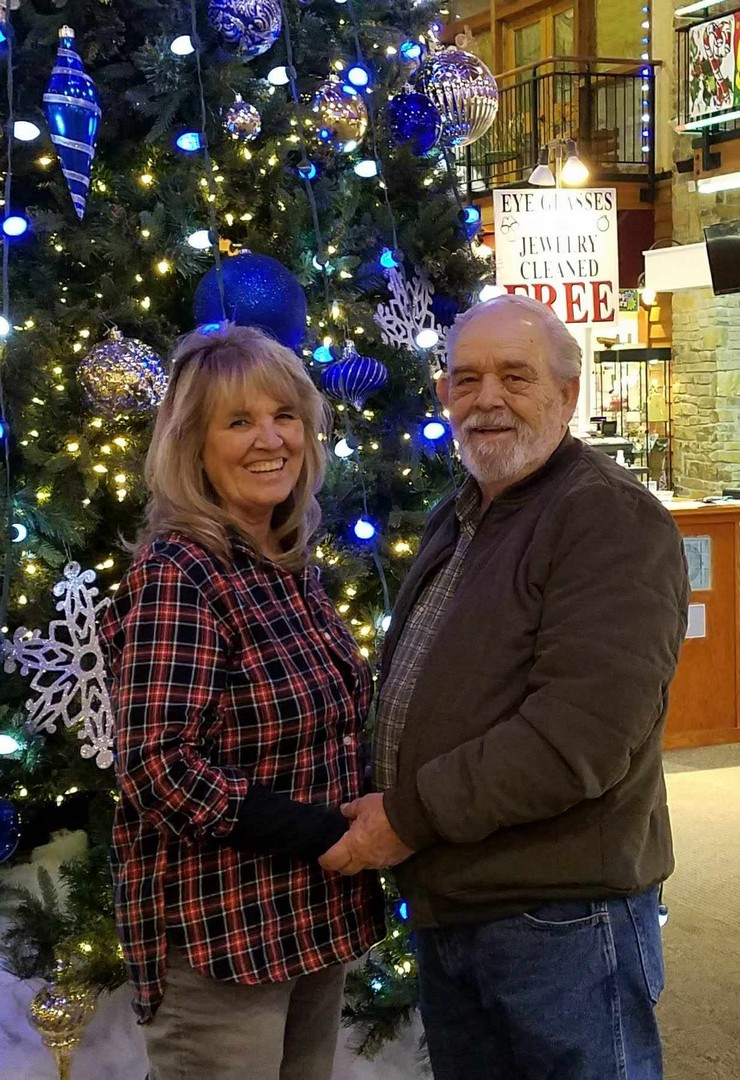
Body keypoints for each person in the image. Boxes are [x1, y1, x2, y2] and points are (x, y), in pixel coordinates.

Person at [320, 294, 689, 1079]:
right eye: (467, 378)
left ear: (568, 394)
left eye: (516, 377)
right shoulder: (463, 512)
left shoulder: (605, 518)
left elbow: (578, 737)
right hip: (461, 899)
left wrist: (408, 816)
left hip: (560, 915)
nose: (487, 398)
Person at [100, 323, 384, 1080]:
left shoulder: (282, 564)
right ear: (193, 446)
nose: (270, 439)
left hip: (311, 920)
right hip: (222, 934)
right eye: (238, 421)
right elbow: (157, 767)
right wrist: (320, 832)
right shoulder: (179, 574)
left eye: (284, 415)